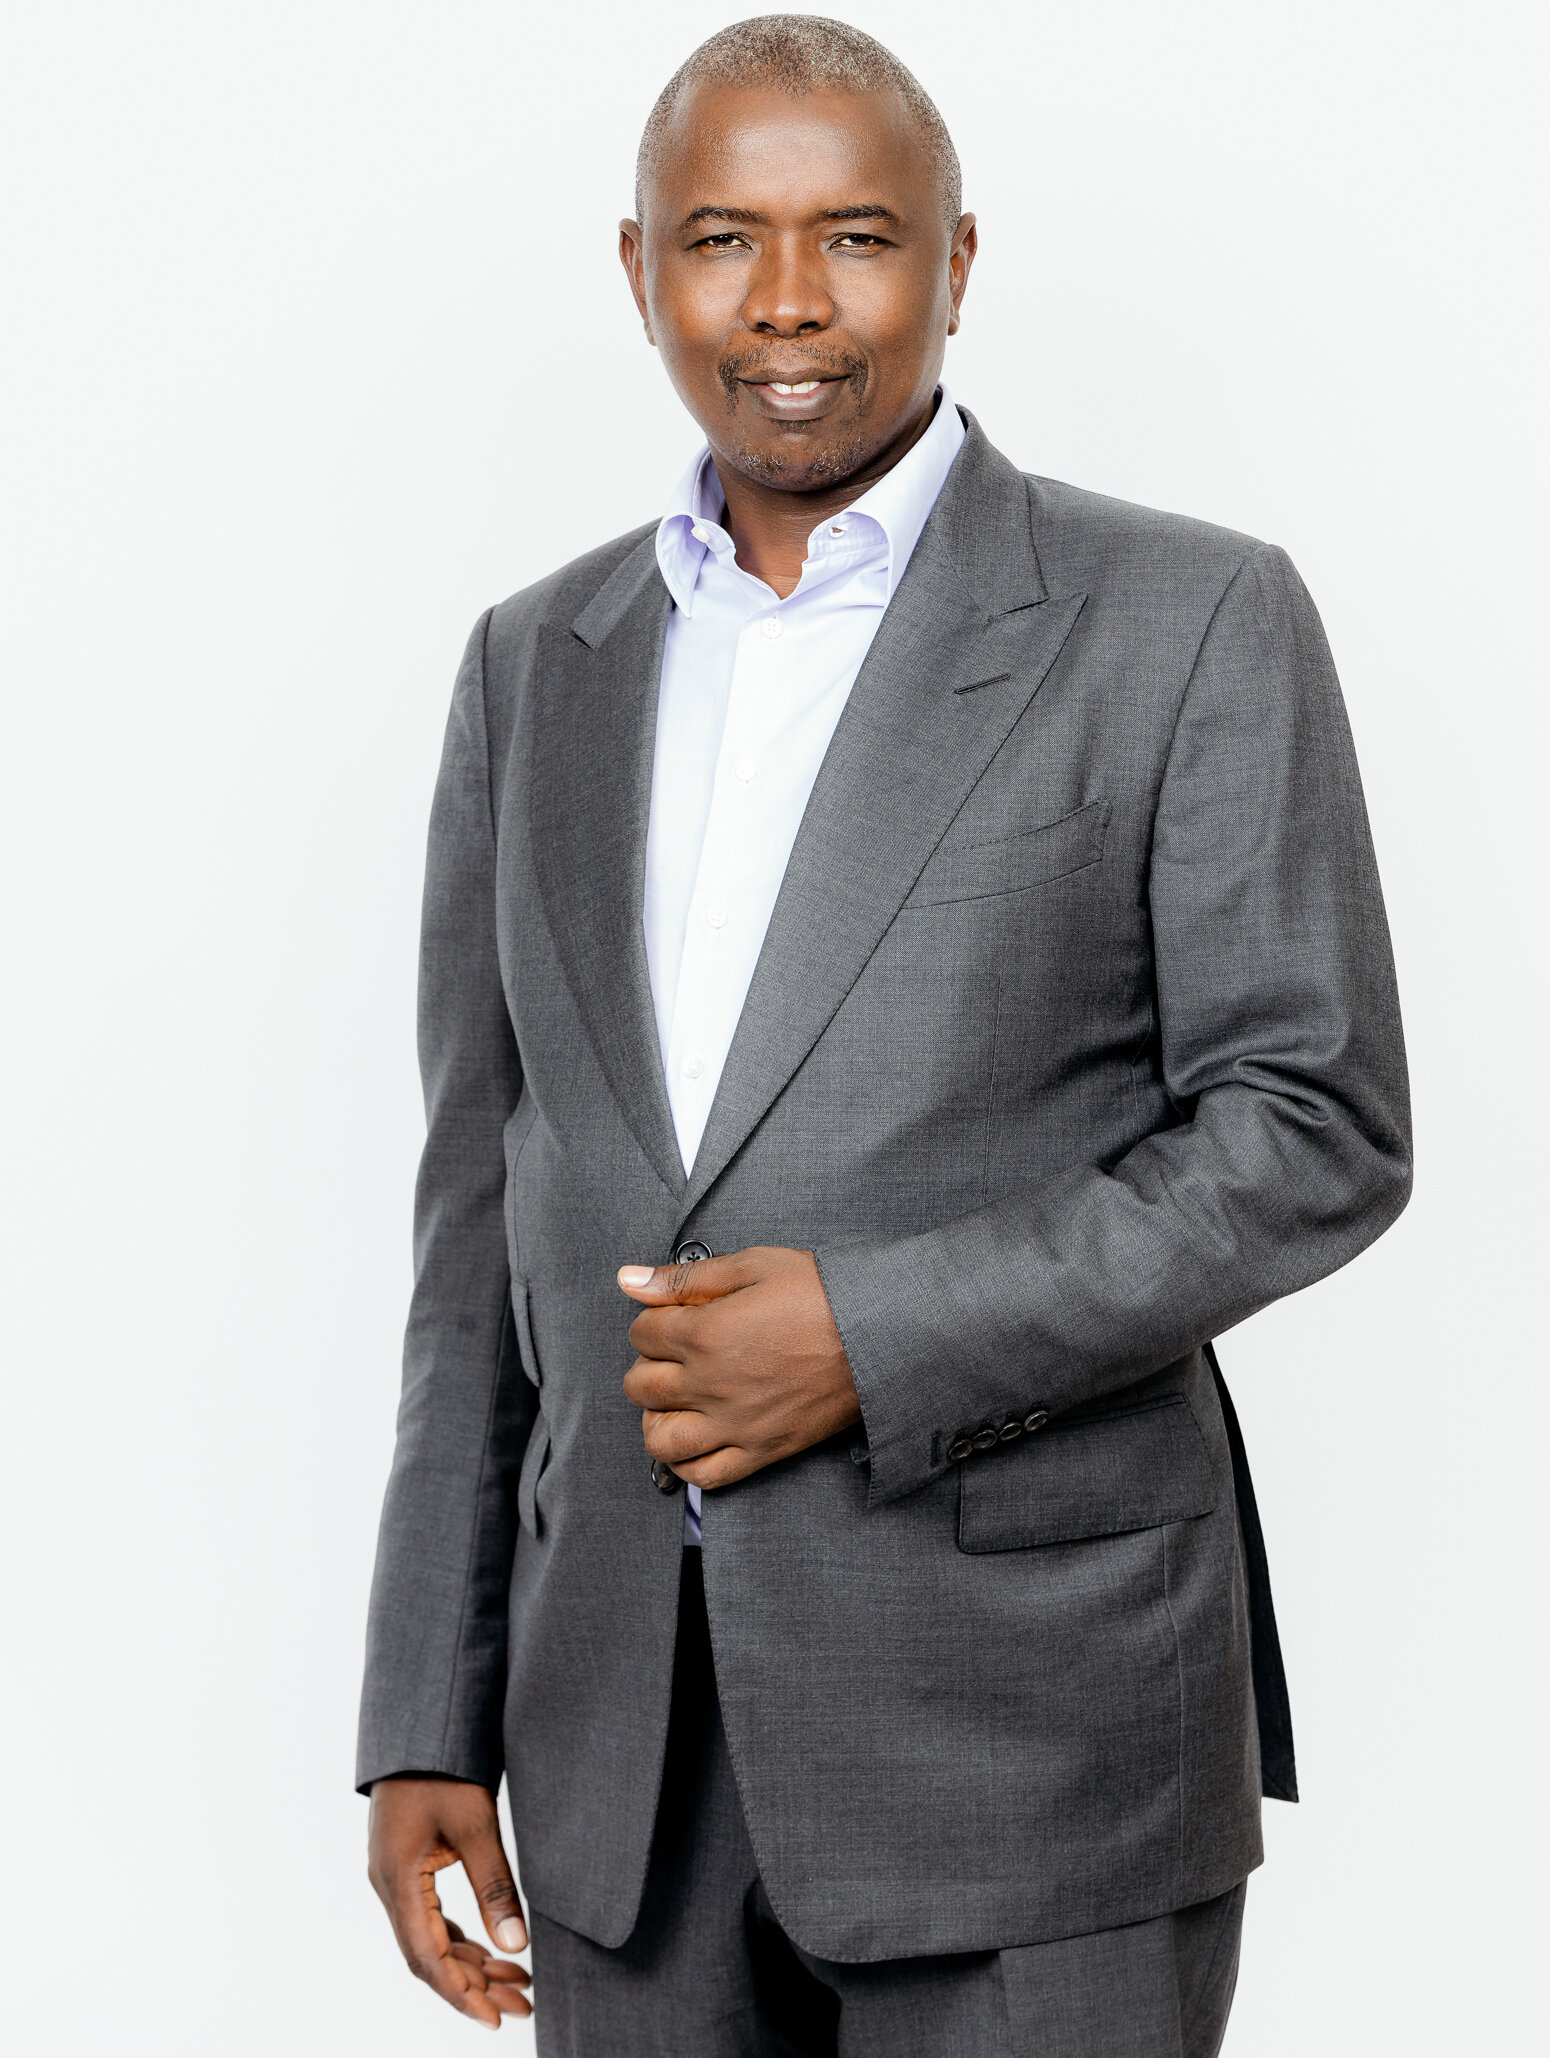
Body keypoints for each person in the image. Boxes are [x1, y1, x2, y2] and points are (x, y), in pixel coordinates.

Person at [358, 16, 1412, 2055]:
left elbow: (1311, 1124)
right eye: (718, 240)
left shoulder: (1183, 619)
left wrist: (868, 1332)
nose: (782, 305)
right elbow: (479, 1217)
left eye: (853, 238)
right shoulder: (532, 665)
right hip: (617, 1773)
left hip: (1033, 1743)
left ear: (956, 260)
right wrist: (426, 1708)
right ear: (638, 266)